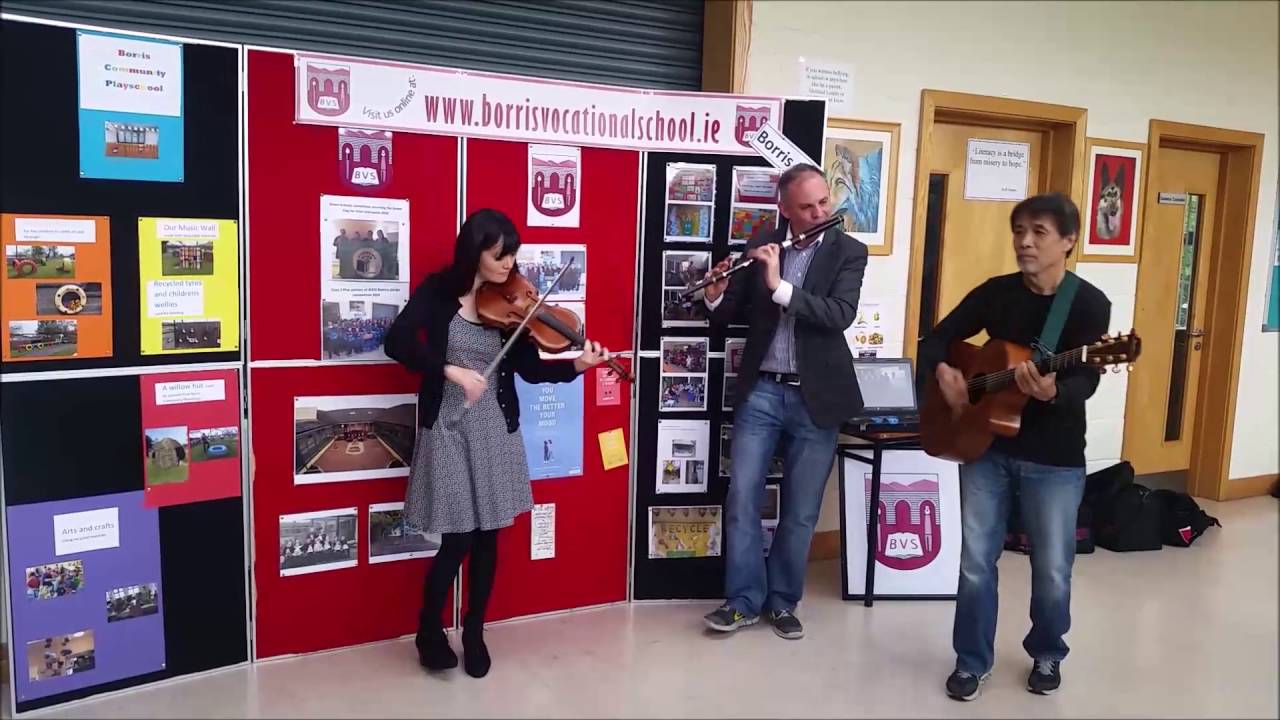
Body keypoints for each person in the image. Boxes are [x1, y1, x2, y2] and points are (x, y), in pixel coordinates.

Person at [384, 208, 611, 678]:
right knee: (457, 539)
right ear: (475, 254)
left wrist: (577, 366)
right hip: (449, 427)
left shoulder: (513, 302)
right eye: (499, 256)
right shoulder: (438, 292)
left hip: (495, 429)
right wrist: (449, 370)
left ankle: (474, 631)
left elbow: (531, 369)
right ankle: (428, 631)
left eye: (513, 255)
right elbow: (398, 341)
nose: (509, 265)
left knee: (489, 537)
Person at [918, 192, 1110, 701]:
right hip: (986, 447)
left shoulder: (1088, 304)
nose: (1024, 242)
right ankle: (971, 661)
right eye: (1019, 231)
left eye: (1038, 232)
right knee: (975, 562)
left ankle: (1048, 652)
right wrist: (947, 375)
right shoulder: (995, 293)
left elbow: (1087, 377)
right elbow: (935, 339)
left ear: (1068, 241)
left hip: (1055, 455)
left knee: (1052, 568)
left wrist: (1054, 391)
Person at [699, 163, 868, 639]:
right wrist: (715, 296)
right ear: (785, 209)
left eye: (823, 202)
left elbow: (839, 314)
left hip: (817, 397)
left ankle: (782, 602)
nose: (819, 213)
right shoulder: (763, 245)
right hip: (763, 391)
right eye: (807, 207)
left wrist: (781, 288)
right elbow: (731, 314)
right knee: (742, 497)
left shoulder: (849, 252)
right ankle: (743, 601)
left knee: (800, 509)